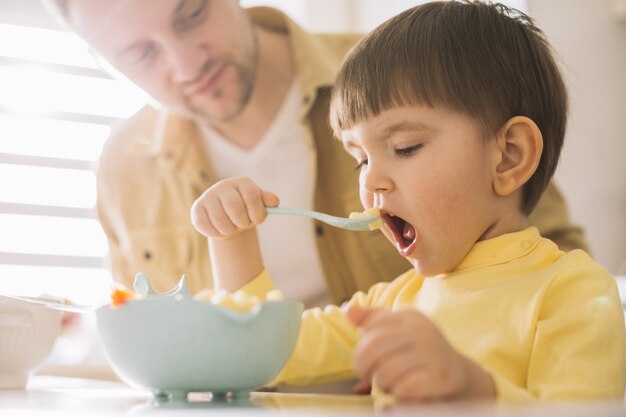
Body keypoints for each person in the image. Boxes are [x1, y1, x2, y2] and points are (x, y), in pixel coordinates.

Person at [190, 1, 626, 403]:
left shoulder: (572, 292)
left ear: (509, 156)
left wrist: (474, 391)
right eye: (360, 160)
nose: (371, 181)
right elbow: (263, 355)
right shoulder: (394, 302)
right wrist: (233, 239)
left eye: (405, 147)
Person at [43, 0, 587, 308]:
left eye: (191, 15)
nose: (188, 65)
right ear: (104, 63)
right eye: (140, 53)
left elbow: (549, 261)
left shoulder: (407, 81)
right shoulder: (121, 171)